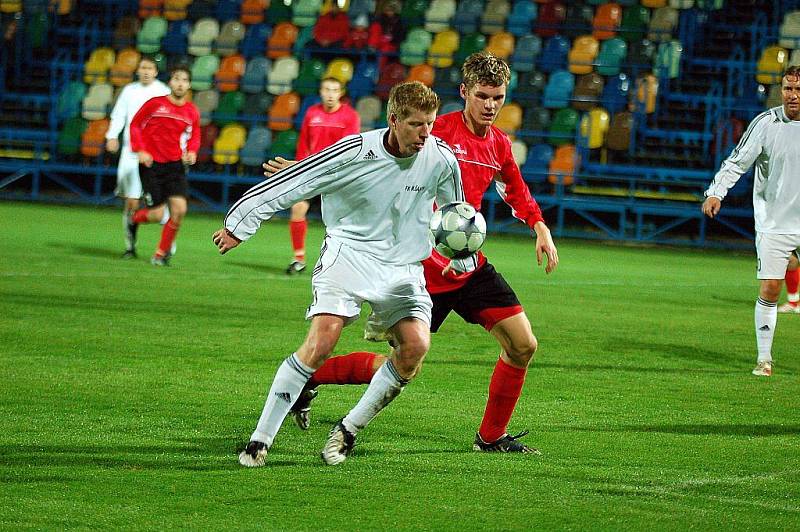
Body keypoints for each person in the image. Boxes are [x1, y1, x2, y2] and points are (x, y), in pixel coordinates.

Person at [268, 52, 560, 454]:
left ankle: (490, 437)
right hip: (422, 268)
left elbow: (516, 191)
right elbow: (373, 155)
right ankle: (310, 379)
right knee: (403, 362)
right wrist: (305, 171)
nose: (491, 105)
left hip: (467, 264)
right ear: (464, 92)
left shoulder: (498, 145)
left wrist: (540, 227)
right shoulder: (433, 131)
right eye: (482, 96)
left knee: (523, 345)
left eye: (498, 97)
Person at [212, 81, 465, 467]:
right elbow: (297, 181)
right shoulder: (355, 150)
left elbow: (456, 213)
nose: (426, 133)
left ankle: (347, 431)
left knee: (415, 348)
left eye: (430, 123)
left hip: (402, 267)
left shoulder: (441, 158)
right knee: (322, 341)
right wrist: (240, 224)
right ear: (394, 120)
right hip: (349, 254)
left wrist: (461, 253)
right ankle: (259, 440)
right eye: (416, 124)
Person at [702, 64, 800, 377]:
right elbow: (737, 161)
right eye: (788, 89)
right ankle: (764, 359)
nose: (793, 96)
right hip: (775, 221)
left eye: (798, 90)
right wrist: (716, 192)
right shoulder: (766, 123)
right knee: (771, 288)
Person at [285, 77, 360, 275]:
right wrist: (300, 168)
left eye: (334, 90)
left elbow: (352, 149)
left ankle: (342, 262)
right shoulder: (312, 113)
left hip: (339, 175)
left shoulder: (350, 116)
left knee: (340, 221)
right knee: (298, 208)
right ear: (320, 91)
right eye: (326, 89)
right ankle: (298, 259)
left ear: (341, 93)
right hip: (314, 172)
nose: (330, 94)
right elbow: (303, 143)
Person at [127, 65, 200, 266]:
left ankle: (160, 254)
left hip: (175, 165)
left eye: (184, 80)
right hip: (151, 164)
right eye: (177, 78)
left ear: (189, 85)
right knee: (157, 214)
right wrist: (140, 149)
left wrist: (192, 152)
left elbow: (194, 136)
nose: (180, 83)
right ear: (170, 82)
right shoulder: (154, 104)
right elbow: (135, 125)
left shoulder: (191, 111)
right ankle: (134, 218)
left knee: (179, 210)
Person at [105, 56, 170, 259]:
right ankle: (130, 247)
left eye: (150, 68)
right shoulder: (129, 90)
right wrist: (112, 136)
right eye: (142, 67)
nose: (145, 71)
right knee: (131, 202)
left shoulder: (163, 92)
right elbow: (119, 115)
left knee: (160, 204)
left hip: (157, 155)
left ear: (156, 71)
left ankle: (167, 248)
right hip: (131, 153)